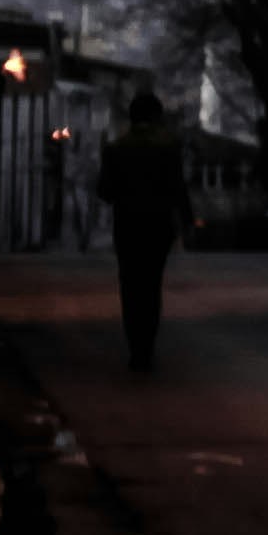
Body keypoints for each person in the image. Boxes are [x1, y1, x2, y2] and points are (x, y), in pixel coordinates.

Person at [100, 91, 191, 378]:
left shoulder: (117, 148)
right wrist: (186, 220)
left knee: (130, 286)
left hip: (127, 226)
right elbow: (179, 188)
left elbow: (105, 191)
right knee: (151, 285)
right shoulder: (169, 147)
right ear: (157, 116)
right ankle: (147, 348)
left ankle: (135, 349)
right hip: (158, 226)